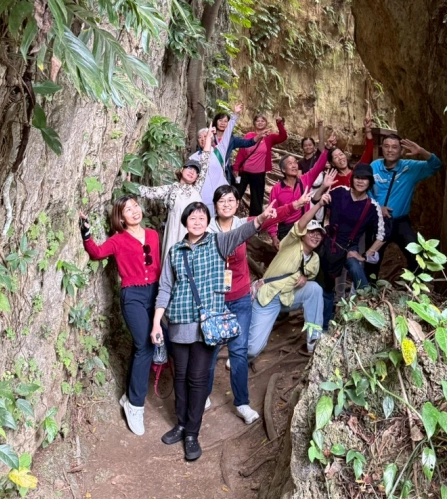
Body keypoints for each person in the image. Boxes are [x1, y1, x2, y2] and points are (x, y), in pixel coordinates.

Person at [151, 200, 276, 461]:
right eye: (192, 218)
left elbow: (243, 232)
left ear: (207, 221)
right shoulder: (175, 251)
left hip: (207, 326)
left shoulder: (218, 243)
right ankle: (181, 424)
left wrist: (262, 218)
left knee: (197, 380)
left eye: (201, 218)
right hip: (179, 324)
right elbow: (165, 288)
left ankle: (192, 434)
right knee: (180, 378)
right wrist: (156, 323)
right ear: (185, 222)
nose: (196, 222)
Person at [204, 185, 305, 422]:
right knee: (210, 349)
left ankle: (241, 403)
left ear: (238, 204)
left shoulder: (243, 224)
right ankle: (203, 394)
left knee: (238, 351)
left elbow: (271, 216)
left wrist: (295, 205)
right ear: (215, 205)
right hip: (215, 299)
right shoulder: (207, 228)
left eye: (231, 200)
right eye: (222, 201)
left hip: (239, 298)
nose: (227, 204)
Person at [79, 198, 160, 437]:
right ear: (120, 217)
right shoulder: (118, 240)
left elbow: (159, 265)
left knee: (153, 344)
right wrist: (86, 233)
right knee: (143, 345)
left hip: (155, 292)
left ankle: (131, 395)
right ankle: (134, 405)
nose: (134, 211)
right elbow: (96, 253)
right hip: (132, 295)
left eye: (135, 206)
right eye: (127, 209)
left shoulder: (154, 235)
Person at [246, 178, 336, 362]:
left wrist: (304, 276)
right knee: (253, 350)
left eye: (319, 235)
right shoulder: (291, 242)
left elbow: (308, 274)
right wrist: (318, 205)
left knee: (315, 290)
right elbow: (302, 223)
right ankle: (240, 351)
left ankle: (314, 341)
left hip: (289, 297)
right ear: (304, 234)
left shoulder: (315, 259)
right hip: (268, 298)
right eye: (312, 232)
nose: (315, 236)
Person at [317, 163, 385, 329]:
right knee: (325, 289)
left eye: (365, 179)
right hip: (328, 245)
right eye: (357, 177)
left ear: (370, 182)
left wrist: (365, 254)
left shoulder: (371, 206)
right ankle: (324, 327)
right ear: (352, 179)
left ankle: (360, 316)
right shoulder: (340, 192)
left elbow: (381, 236)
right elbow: (316, 201)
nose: (360, 181)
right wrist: (323, 188)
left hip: (349, 248)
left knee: (357, 271)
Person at [368, 134, 442, 272]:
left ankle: (416, 289)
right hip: (379, 221)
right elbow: (367, 191)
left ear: (401, 151)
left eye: (395, 147)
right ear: (382, 148)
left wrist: (421, 152)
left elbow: (436, 165)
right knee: (372, 259)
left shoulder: (410, 168)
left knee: (415, 255)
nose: (390, 150)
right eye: (386, 146)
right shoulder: (374, 166)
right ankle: (370, 290)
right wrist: (378, 208)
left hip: (400, 222)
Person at [137, 135, 212, 257]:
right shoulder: (170, 188)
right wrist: (128, 184)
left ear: (198, 177)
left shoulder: (196, 188)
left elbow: (205, 161)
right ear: (182, 170)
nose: (192, 172)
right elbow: (148, 192)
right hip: (173, 230)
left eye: (196, 171)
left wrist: (209, 136)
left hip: (194, 231)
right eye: (189, 168)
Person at [266, 146, 330, 244]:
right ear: (283, 169)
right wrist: (274, 236)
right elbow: (272, 213)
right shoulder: (277, 189)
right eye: (290, 163)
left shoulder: (305, 180)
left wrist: (327, 149)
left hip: (306, 225)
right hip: (286, 230)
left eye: (295, 162)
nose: (294, 165)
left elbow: (318, 167)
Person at [189, 103, 243, 216]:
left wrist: (234, 115)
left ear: (212, 138)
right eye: (200, 137)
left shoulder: (220, 151)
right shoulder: (193, 158)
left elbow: (228, 133)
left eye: (206, 136)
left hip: (221, 197)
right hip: (202, 198)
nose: (203, 139)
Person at [232, 113, 288, 215]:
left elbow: (283, 137)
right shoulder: (249, 136)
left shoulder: (269, 137)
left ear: (266, 123)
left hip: (259, 174)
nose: (260, 123)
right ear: (254, 123)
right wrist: (236, 168)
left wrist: (279, 123)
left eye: (263, 121)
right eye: (258, 121)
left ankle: (254, 224)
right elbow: (241, 153)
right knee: (236, 195)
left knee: (257, 201)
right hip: (244, 172)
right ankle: (228, 217)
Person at [312, 118, 375, 191]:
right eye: (336, 157)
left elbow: (369, 151)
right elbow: (319, 165)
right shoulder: (331, 179)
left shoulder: (357, 171)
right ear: (332, 163)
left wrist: (368, 130)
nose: (340, 158)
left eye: (341, 154)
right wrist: (327, 147)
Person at [213, 111, 255, 178]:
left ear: (228, 124)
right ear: (215, 122)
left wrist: (259, 136)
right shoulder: (209, 137)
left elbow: (248, 143)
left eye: (225, 121)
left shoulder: (232, 140)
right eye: (220, 120)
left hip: (224, 172)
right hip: (210, 169)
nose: (222, 123)